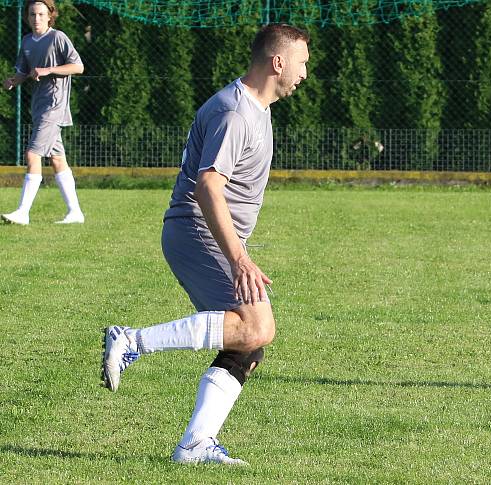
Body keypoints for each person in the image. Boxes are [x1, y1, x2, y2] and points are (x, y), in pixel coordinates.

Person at [101, 23, 309, 466]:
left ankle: (195, 444)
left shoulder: (254, 108)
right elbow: (208, 186)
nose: (304, 73)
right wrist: (240, 259)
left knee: (248, 347)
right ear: (278, 62)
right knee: (257, 327)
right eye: (302, 62)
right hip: (197, 231)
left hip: (202, 233)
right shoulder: (236, 113)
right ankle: (132, 340)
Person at [2, 0, 84, 225]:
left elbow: (78, 67)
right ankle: (75, 212)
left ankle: (23, 212)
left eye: (40, 14)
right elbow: (23, 72)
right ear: (27, 18)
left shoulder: (58, 38)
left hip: (54, 106)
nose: (36, 19)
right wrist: (12, 81)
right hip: (38, 107)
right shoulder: (27, 41)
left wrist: (49, 70)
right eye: (32, 15)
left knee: (32, 154)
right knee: (57, 159)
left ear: (50, 16)